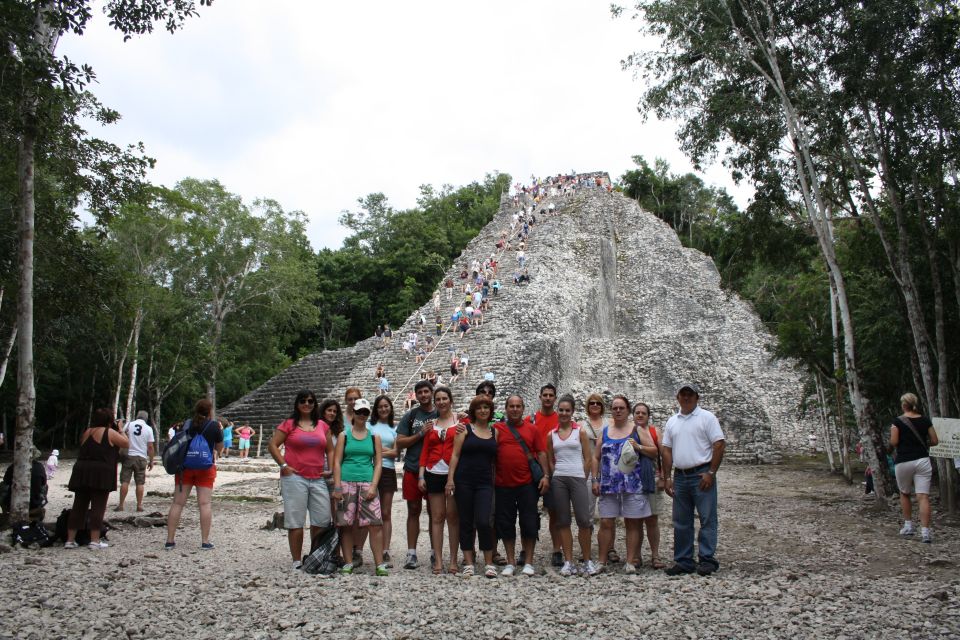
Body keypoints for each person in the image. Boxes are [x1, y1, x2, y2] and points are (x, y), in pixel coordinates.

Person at [662, 383, 725, 576]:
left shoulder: (707, 418)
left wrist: (711, 472)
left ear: (697, 397)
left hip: (701, 474)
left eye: (690, 395)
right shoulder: (672, 421)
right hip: (680, 475)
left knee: (707, 518)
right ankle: (684, 560)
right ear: (678, 398)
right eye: (683, 394)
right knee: (681, 520)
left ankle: (706, 558)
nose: (686, 398)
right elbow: (666, 449)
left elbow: (719, 444)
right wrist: (667, 477)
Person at [268, 390, 335, 570]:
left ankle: (315, 556)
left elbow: (330, 449)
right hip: (295, 477)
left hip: (318, 478)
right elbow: (273, 445)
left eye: (311, 401)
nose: (307, 404)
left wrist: (330, 469)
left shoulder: (322, 425)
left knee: (321, 519)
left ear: (315, 404)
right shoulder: (289, 424)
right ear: (297, 404)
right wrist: (283, 466)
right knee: (295, 520)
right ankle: (297, 561)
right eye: (303, 401)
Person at [592, 394, 655, 574]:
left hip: (632, 484)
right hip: (609, 484)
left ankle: (630, 561)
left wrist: (639, 447)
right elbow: (596, 457)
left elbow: (653, 451)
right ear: (611, 410)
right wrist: (595, 479)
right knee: (605, 522)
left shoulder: (638, 430)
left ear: (628, 410)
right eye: (615, 408)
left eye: (621, 408)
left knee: (632, 523)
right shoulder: (604, 431)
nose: (618, 410)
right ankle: (602, 561)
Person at [494, 395, 549, 577]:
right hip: (503, 484)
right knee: (506, 523)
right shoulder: (498, 429)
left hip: (527, 484)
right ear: (506, 408)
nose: (515, 409)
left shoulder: (532, 430)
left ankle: (529, 561)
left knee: (529, 522)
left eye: (518, 406)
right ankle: (510, 561)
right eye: (511, 406)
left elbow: (541, 453)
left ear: (523, 408)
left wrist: (546, 475)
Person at [332, 398, 388, 576]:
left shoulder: (374, 436)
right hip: (346, 482)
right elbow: (337, 462)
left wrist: (373, 485)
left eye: (365, 412)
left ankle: (379, 563)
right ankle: (348, 562)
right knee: (346, 524)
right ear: (353, 414)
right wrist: (338, 486)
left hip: (366, 481)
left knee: (374, 524)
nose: (362, 415)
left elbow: (378, 463)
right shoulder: (344, 435)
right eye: (359, 412)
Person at [447, 395, 498, 578]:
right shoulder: (464, 429)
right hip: (464, 480)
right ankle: (469, 562)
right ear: (474, 411)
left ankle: (488, 562)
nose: (483, 410)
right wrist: (450, 479)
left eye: (486, 407)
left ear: (490, 410)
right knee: (466, 521)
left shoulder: (495, 432)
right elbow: (455, 455)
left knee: (484, 521)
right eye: (479, 407)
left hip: (485, 482)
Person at [64, 408, 129, 549]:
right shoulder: (109, 432)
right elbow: (126, 443)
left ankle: (70, 540)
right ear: (110, 420)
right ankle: (94, 540)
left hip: (82, 470)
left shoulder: (87, 432)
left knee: (79, 505)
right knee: (98, 505)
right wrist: (121, 429)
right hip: (100, 472)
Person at [165, 398, 224, 551]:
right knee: (204, 504)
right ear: (210, 411)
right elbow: (220, 448)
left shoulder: (187, 424)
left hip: (185, 467)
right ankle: (205, 541)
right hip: (205, 468)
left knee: (178, 503)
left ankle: (170, 540)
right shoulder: (214, 426)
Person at [547, 395, 595, 576]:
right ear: (557, 411)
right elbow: (550, 457)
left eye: (567, 410)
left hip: (577, 477)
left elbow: (588, 458)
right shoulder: (551, 434)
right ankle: (568, 561)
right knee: (563, 521)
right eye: (561, 410)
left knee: (584, 520)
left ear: (572, 412)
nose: (564, 413)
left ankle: (587, 560)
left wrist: (583, 476)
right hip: (560, 478)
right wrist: (555, 472)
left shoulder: (580, 432)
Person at [395, 379, 439, 569]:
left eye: (426, 392)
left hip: (435, 470)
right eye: (419, 392)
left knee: (434, 512)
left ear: (432, 392)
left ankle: (434, 551)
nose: (423, 395)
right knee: (413, 510)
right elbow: (400, 442)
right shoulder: (411, 415)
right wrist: (420, 433)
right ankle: (411, 552)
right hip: (413, 468)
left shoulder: (441, 412)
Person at [418, 386, 461, 574]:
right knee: (436, 517)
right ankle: (438, 560)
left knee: (452, 516)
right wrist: (420, 475)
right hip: (433, 471)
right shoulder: (431, 425)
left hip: (453, 473)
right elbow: (425, 451)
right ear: (435, 403)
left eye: (445, 398)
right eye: (439, 399)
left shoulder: (460, 421)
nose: (442, 402)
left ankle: (453, 559)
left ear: (451, 401)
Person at [890, 392, 939, 543]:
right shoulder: (925, 420)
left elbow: (894, 441)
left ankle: (908, 525)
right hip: (922, 459)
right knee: (923, 496)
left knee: (904, 493)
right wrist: (922, 444)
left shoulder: (897, 421)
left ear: (904, 405)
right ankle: (925, 532)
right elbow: (935, 440)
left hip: (904, 459)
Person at [634, 402, 666, 569]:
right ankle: (637, 556)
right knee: (636, 521)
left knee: (652, 520)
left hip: (652, 477)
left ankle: (655, 555)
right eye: (637, 413)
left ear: (648, 416)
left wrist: (664, 477)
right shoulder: (629, 431)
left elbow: (661, 454)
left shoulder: (655, 432)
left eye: (643, 413)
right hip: (634, 480)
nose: (640, 415)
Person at [368, 395, 398, 567]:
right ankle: (361, 549)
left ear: (390, 408)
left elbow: (396, 453)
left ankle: (385, 549)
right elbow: (366, 448)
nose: (383, 409)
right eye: (380, 406)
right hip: (369, 469)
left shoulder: (395, 428)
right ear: (376, 409)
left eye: (386, 406)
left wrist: (377, 451)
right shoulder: (368, 425)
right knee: (369, 512)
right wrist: (385, 450)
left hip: (387, 470)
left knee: (386, 512)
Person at [116, 410, 155, 512]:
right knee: (140, 483)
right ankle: (139, 506)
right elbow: (150, 447)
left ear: (137, 416)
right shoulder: (149, 429)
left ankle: (120, 505)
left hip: (128, 456)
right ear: (146, 419)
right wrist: (151, 461)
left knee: (125, 481)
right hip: (141, 457)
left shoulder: (129, 424)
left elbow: (121, 436)